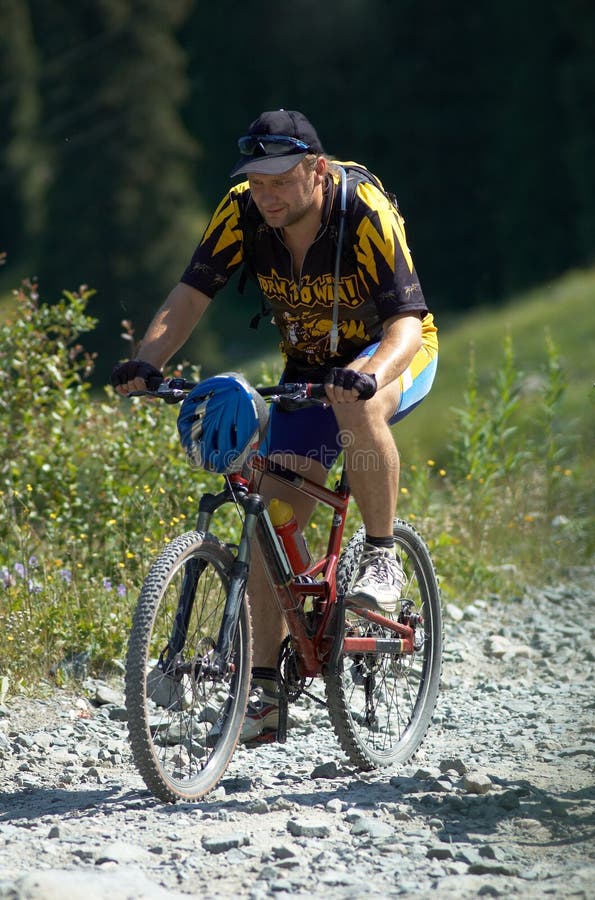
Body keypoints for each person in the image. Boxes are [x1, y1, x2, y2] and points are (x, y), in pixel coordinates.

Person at [112, 109, 438, 744]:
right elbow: (190, 295)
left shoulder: (362, 210)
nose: (267, 197)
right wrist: (148, 363)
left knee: (356, 407)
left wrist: (369, 376)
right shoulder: (240, 212)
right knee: (269, 519)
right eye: (257, 183)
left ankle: (378, 558)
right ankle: (263, 689)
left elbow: (406, 320)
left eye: (281, 182)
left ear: (316, 170)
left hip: (394, 351)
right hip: (310, 364)